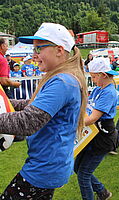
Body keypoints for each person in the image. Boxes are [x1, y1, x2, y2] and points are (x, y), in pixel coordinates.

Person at [0, 22, 87, 199]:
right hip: (51, 166)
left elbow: (27, 122)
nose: (34, 55)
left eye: (39, 49)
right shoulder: (64, 78)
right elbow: (32, 105)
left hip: (44, 168)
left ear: (59, 50)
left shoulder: (62, 82)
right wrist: (4, 102)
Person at [74, 57, 119, 200]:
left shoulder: (109, 92)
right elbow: (88, 107)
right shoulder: (99, 89)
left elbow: (93, 117)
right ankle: (103, 192)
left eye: (93, 76)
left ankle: (98, 194)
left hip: (102, 137)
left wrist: (73, 125)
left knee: (83, 175)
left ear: (103, 75)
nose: (92, 79)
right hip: (91, 135)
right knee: (77, 168)